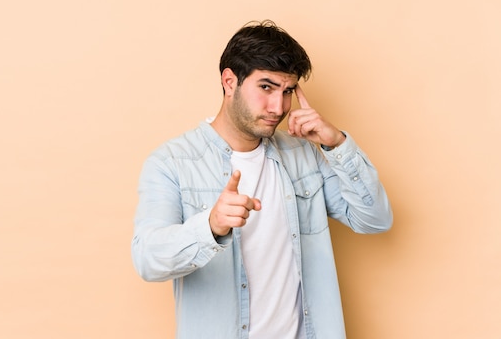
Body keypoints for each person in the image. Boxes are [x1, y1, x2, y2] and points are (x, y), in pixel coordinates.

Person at [131, 20, 393, 339]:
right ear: (230, 82)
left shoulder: (303, 154)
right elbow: (148, 259)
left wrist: (336, 143)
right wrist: (210, 226)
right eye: (266, 87)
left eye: (288, 92)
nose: (278, 107)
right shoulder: (172, 162)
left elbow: (374, 220)